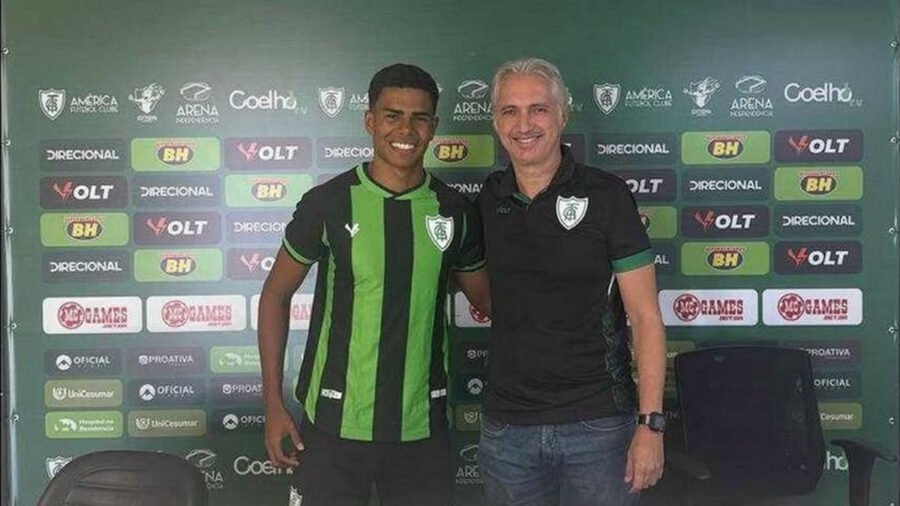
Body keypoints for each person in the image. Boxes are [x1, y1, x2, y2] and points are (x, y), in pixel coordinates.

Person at [257, 63, 490, 506]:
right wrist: (272, 402)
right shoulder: (328, 203)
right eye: (392, 115)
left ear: (434, 127)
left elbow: (490, 300)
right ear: (370, 121)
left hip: (421, 427)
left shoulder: (455, 210)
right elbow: (275, 294)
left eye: (419, 118)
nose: (406, 130)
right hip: (333, 424)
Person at [475, 57, 667, 506]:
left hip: (599, 426)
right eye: (509, 111)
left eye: (538, 109)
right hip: (508, 431)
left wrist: (651, 424)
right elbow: (478, 291)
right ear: (496, 122)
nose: (524, 124)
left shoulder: (607, 196)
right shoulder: (487, 199)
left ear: (563, 115)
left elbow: (645, 317)